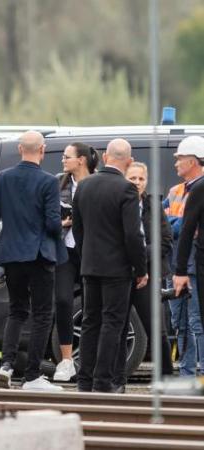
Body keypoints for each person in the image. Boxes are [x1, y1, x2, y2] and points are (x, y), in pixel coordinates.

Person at [0, 130, 65, 392]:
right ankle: (32, 376)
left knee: (16, 311)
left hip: (11, 256)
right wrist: (62, 224)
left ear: (20, 149)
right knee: (42, 315)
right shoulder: (49, 181)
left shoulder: (1, 179)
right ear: (42, 150)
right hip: (40, 255)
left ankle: (6, 365)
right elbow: (52, 224)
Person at [72, 138, 148, 393]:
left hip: (90, 266)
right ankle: (103, 381)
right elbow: (133, 235)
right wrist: (141, 268)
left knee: (90, 322)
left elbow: (78, 229)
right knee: (112, 323)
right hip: (117, 269)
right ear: (128, 161)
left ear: (105, 157)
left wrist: (86, 257)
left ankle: (84, 380)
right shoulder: (126, 189)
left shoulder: (84, 186)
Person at [114, 162, 173, 390]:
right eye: (133, 178)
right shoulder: (117, 204)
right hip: (120, 274)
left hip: (147, 275)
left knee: (157, 329)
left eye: (141, 179)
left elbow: (165, 241)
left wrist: (140, 258)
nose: (137, 182)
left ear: (146, 181)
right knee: (118, 328)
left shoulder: (154, 206)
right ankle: (117, 381)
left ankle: (166, 379)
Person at [52, 142, 99, 381]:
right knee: (62, 300)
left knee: (93, 303)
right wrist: (62, 223)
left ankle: (92, 359)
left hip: (91, 251)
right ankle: (67, 360)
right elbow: (47, 213)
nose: (63, 160)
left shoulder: (97, 182)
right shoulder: (58, 182)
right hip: (65, 250)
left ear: (81, 160)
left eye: (67, 156)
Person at [165, 135, 204, 376]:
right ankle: (187, 373)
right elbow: (163, 223)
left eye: (179, 159)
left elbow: (183, 228)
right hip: (177, 264)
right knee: (180, 323)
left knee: (196, 322)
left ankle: (200, 373)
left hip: (193, 266)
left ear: (192, 161)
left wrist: (176, 223)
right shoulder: (176, 190)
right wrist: (177, 223)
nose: (176, 163)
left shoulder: (199, 189)